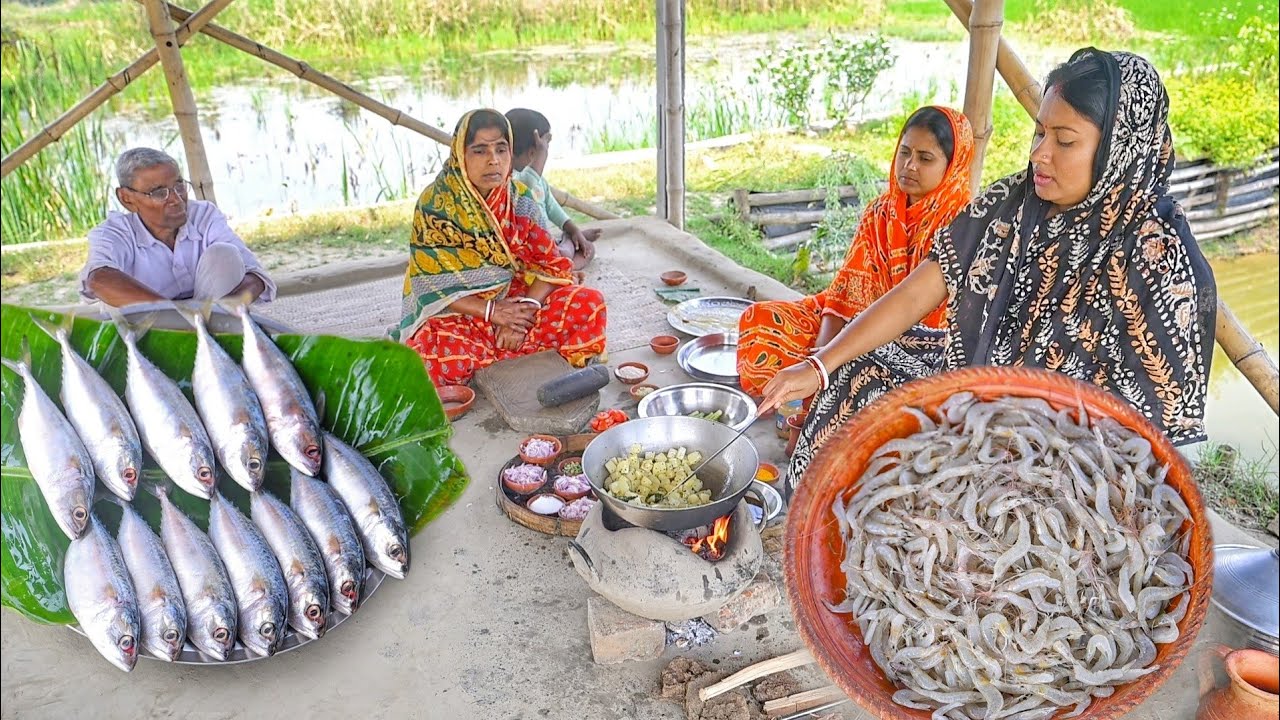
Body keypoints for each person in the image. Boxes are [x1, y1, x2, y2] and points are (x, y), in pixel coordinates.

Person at [759, 49, 1217, 488]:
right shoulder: (1017, 201)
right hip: (974, 385)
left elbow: (1152, 445)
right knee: (859, 368)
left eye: (1065, 140)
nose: (1040, 154)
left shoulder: (1156, 257)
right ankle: (825, 517)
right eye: (1040, 133)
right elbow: (919, 293)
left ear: (1120, 149)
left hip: (1066, 458)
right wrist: (817, 367)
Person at [736, 106, 975, 395]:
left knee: (861, 373)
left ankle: (814, 410)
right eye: (905, 152)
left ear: (953, 167)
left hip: (920, 349)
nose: (910, 166)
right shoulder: (880, 213)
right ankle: (799, 401)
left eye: (925, 159)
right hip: (856, 324)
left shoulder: (964, 228)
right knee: (762, 320)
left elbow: (935, 323)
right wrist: (820, 354)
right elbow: (844, 296)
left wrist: (830, 362)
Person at [391, 109, 608, 387]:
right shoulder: (436, 205)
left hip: (517, 300)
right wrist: (494, 313)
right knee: (426, 358)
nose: (494, 161)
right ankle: (518, 355)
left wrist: (524, 312)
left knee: (589, 304)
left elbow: (550, 266)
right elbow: (431, 287)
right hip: (462, 311)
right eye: (480, 151)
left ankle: (499, 354)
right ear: (460, 155)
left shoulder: (520, 199)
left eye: (501, 149)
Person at [80, 147, 275, 307]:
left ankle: (215, 332)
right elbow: (98, 279)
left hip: (210, 317)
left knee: (225, 254)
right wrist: (176, 317)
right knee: (113, 287)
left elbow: (255, 277)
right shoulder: (113, 233)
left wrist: (220, 313)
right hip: (149, 326)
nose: (176, 199)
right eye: (158, 192)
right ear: (126, 199)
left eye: (179, 185)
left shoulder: (204, 214)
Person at [505, 108, 600, 269]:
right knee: (564, 255)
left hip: (546, 244)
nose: (547, 150)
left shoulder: (540, 181)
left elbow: (552, 207)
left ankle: (571, 240)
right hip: (524, 250)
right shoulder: (510, 179)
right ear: (534, 150)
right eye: (546, 145)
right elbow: (526, 185)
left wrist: (574, 229)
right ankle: (567, 256)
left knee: (588, 249)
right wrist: (542, 153)